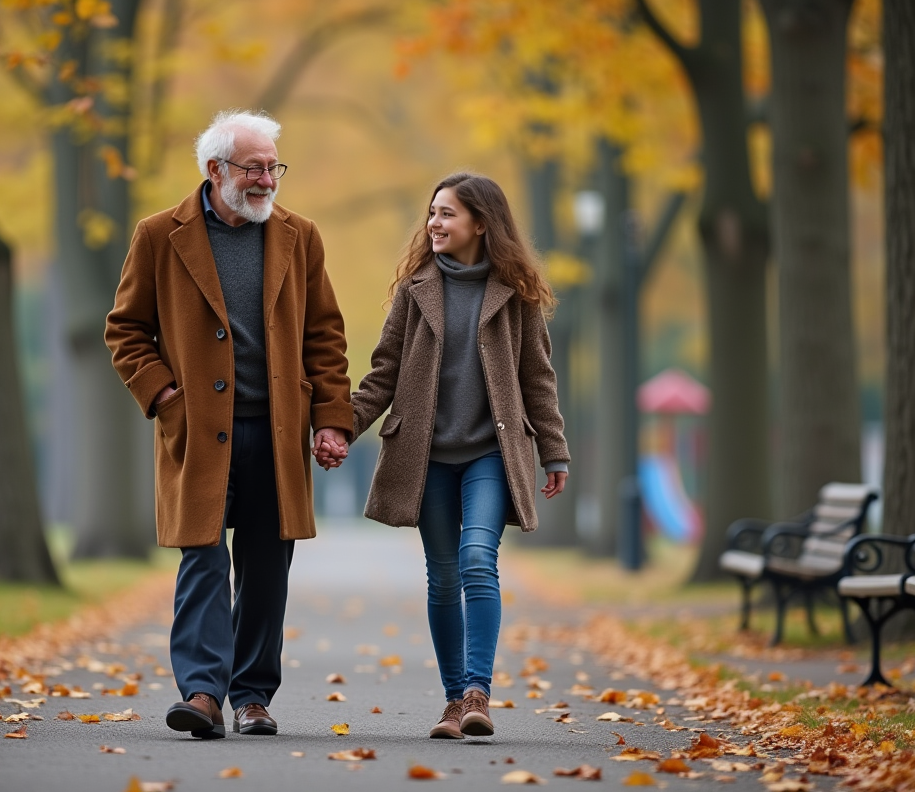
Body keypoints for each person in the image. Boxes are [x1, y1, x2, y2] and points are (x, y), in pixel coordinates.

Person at [105, 110, 352, 739]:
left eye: (273, 167)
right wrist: (164, 394)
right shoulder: (159, 235)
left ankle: (252, 697)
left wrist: (331, 420)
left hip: (277, 433)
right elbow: (125, 330)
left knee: (267, 570)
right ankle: (203, 694)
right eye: (254, 168)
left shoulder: (301, 236)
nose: (267, 179)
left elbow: (324, 336)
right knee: (204, 561)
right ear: (215, 170)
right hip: (196, 433)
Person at [350, 172, 569, 740]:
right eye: (432, 213)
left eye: (447, 213)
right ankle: (454, 702)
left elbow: (537, 378)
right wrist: (340, 427)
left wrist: (554, 451)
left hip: (490, 452)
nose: (434, 223)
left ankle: (477, 693)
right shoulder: (415, 289)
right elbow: (384, 372)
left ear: (481, 223)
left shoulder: (515, 294)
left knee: (477, 559)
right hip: (426, 456)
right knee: (444, 577)